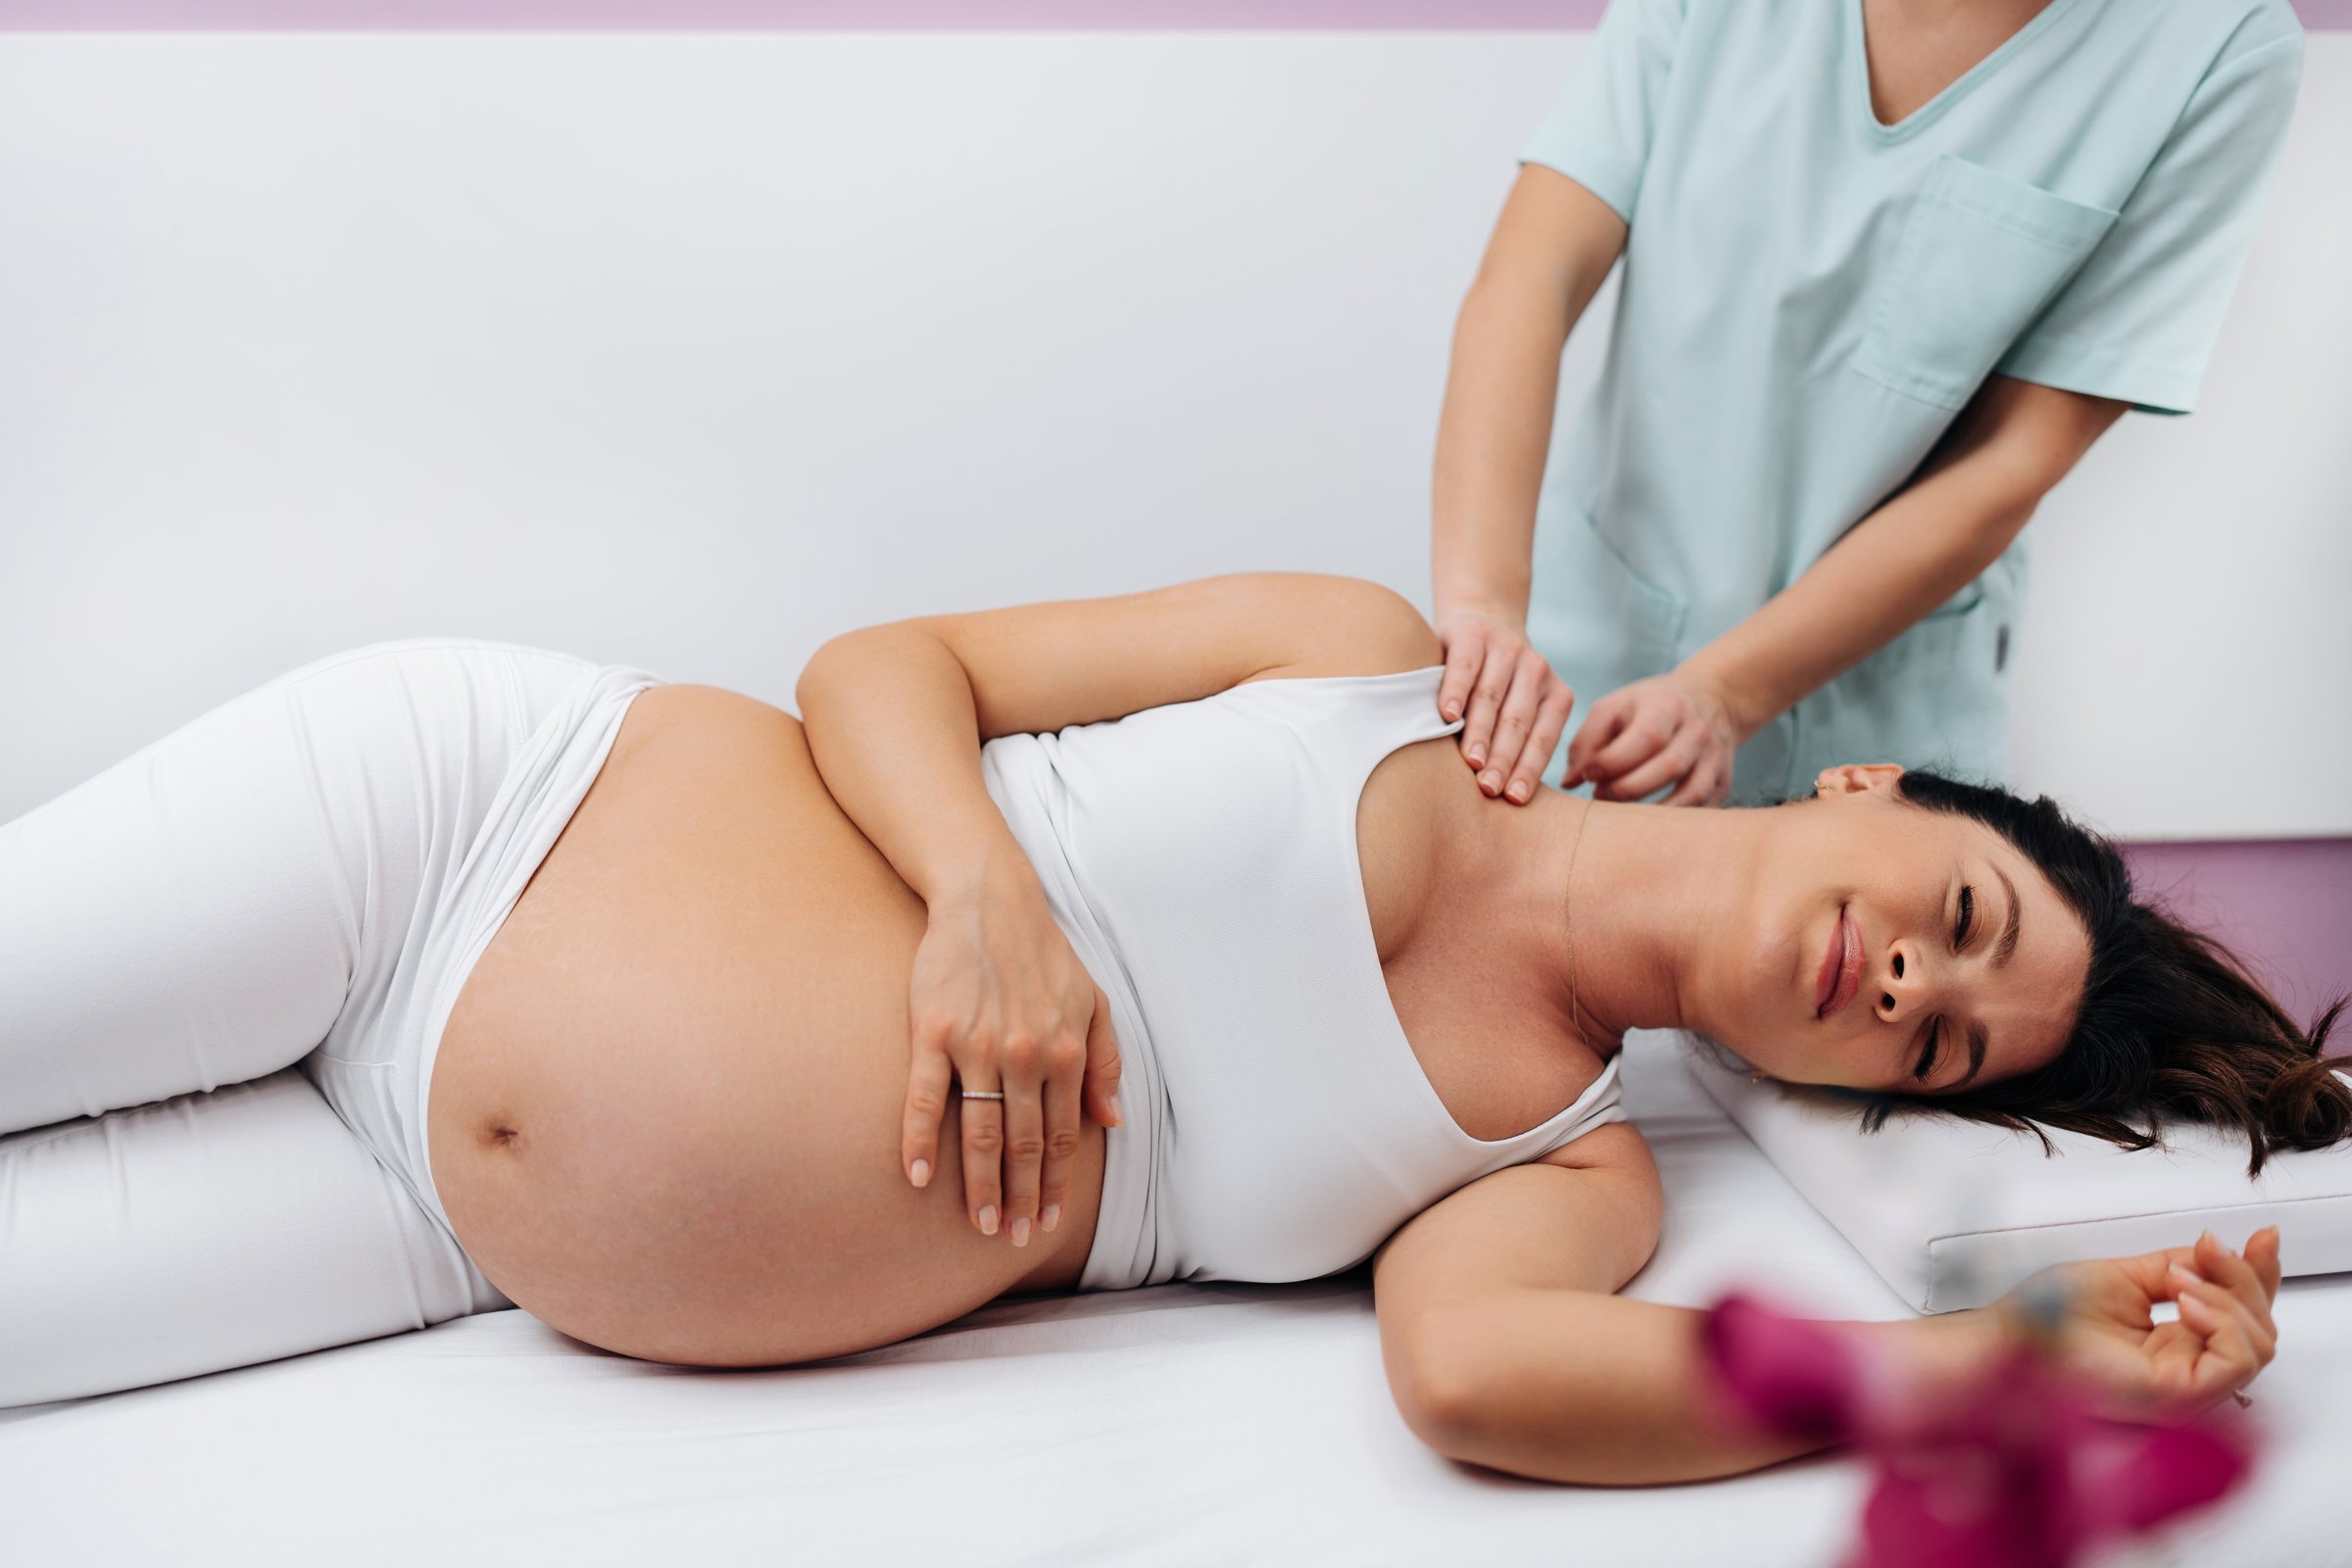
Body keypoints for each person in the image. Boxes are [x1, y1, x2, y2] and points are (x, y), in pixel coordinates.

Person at [4, 575, 2341, 1485]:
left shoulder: (1564, 1162)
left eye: (1935, 1043)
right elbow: (876, 671)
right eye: (1945, 915)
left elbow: (1478, 1385)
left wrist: (1999, 1361)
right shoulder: (1371, 655)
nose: (1902, 985)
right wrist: (992, 903)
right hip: (451, 827)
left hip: (444, 1234)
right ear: (1864, 789)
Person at [1432, 0, 2304, 809]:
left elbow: (2016, 458)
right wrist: (1483, 604)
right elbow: (1532, 276)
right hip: (1588, 639)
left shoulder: (2217, 43)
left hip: (1879, 741)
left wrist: (1725, 693)